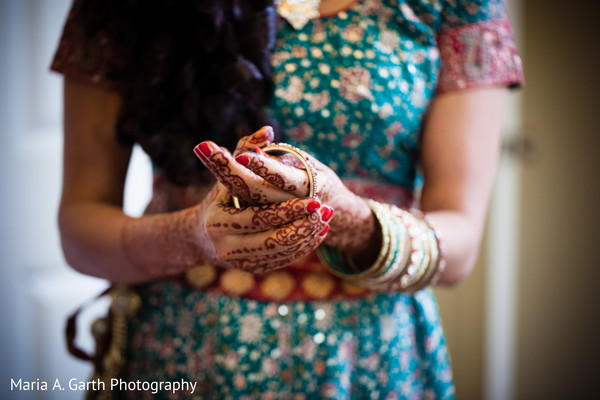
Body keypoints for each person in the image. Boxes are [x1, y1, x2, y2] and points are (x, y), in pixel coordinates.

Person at [52, 0, 523, 398]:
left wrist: (352, 220)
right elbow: (79, 227)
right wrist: (189, 235)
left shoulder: (454, 7)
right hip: (180, 351)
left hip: (370, 359)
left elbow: (460, 244)